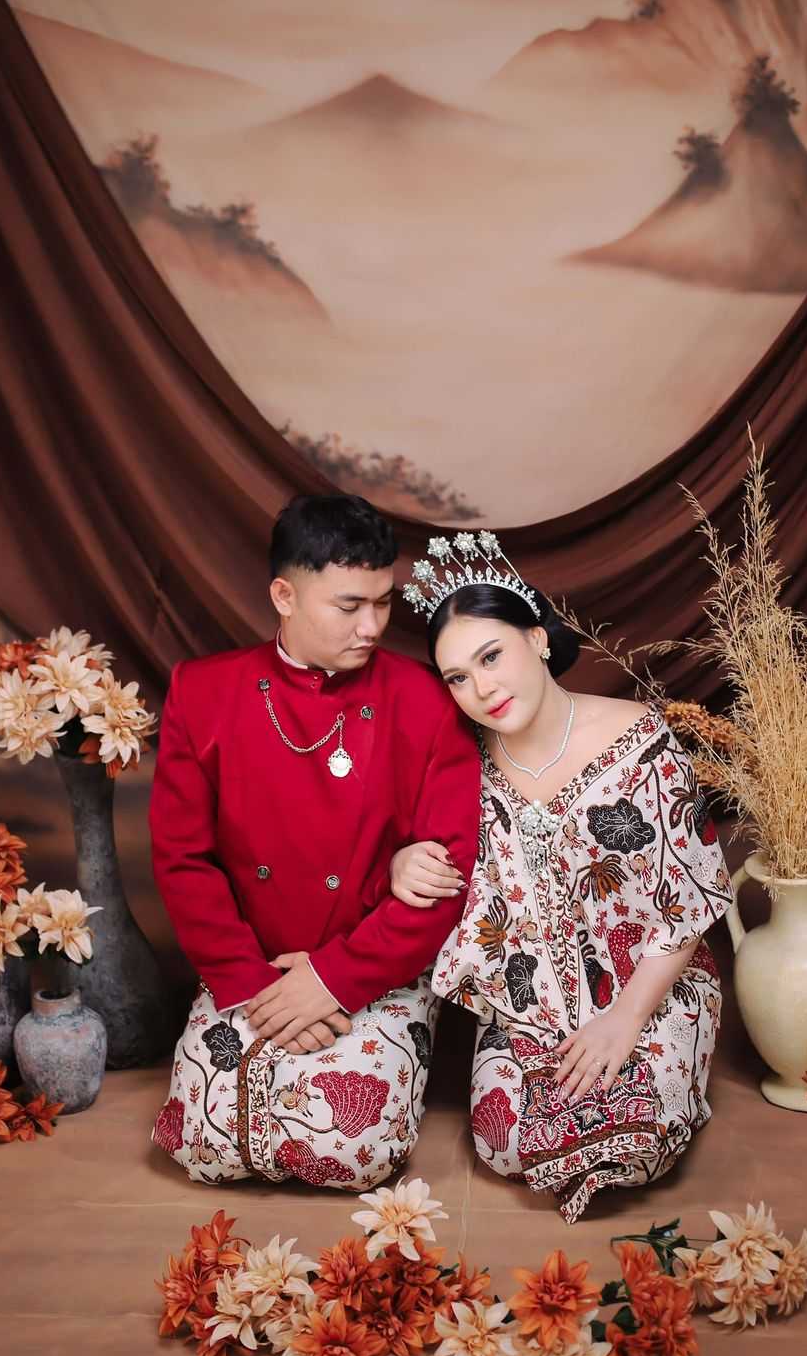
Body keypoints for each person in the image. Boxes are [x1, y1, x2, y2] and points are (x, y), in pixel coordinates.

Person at [394, 531, 732, 1223]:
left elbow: (691, 898)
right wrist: (404, 858)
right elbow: (409, 839)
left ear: (538, 638)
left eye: (491, 656)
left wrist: (624, 1022)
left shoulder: (640, 740)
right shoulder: (459, 761)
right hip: (524, 1004)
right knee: (502, 1142)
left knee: (634, 1137)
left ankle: (656, 1083)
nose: (482, 689)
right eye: (457, 677)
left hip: (648, 985)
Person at [148, 494, 480, 1189]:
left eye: (383, 603)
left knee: (351, 1152)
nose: (372, 627)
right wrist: (251, 985)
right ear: (284, 596)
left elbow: (447, 873)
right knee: (201, 1146)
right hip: (252, 962)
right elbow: (183, 860)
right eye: (349, 605)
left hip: (376, 963)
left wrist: (332, 979)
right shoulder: (201, 692)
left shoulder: (426, 699)